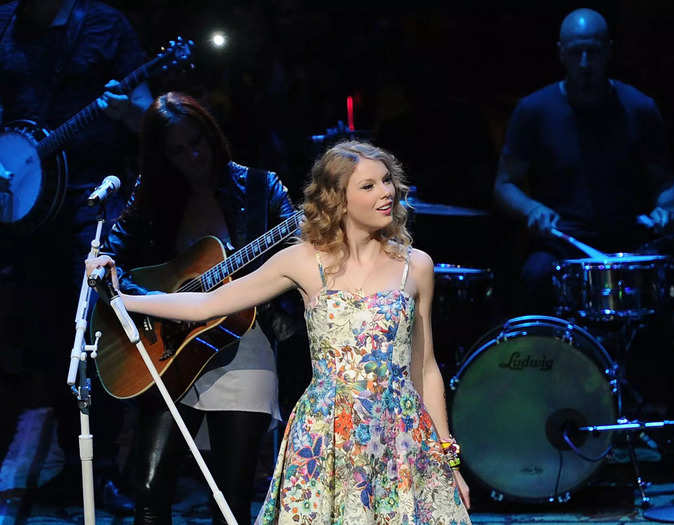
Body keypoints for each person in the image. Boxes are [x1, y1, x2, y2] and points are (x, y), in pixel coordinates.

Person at [87, 140, 472, 524]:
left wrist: (448, 458)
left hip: (400, 438)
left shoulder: (415, 266)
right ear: (339, 199)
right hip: (327, 437)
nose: (386, 192)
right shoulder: (302, 262)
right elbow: (206, 304)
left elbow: (425, 369)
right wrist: (123, 298)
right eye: (369, 186)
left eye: (387, 181)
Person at [98, 92, 295, 525]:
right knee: (148, 492)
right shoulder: (150, 199)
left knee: (229, 501)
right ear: (161, 155)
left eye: (198, 142)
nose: (193, 155)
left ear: (212, 136)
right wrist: (155, 304)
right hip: (168, 354)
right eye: (177, 150)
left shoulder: (263, 188)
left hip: (243, 344)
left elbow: (299, 254)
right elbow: (111, 265)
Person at [0, 0, 152, 512]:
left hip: (91, 199)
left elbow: (149, 114)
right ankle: (70, 463)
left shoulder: (105, 25)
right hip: (20, 205)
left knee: (95, 328)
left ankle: (103, 467)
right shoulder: (4, 22)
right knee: (42, 337)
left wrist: (123, 109)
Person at [493, 8, 674, 314]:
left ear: (609, 52)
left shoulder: (640, 109)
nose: (585, 64)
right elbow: (504, 184)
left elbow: (667, 184)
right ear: (561, 54)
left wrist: (663, 209)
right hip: (562, 244)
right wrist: (532, 208)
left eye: (592, 52)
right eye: (576, 52)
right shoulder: (534, 111)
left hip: (629, 246)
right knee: (534, 276)